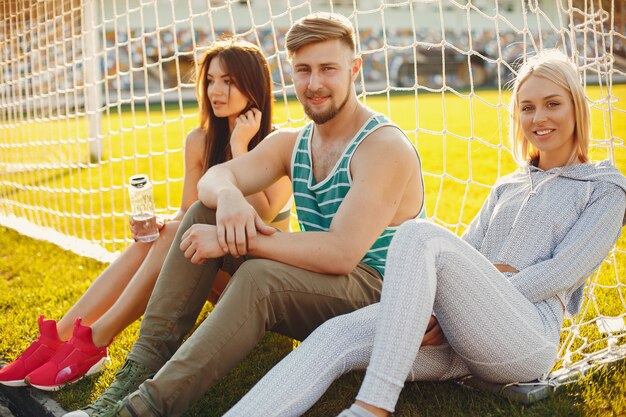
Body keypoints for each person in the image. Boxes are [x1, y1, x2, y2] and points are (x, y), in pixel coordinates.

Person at [223, 49, 626, 417]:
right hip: (458, 336)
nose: (539, 118)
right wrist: (439, 307)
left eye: (552, 104)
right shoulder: (508, 184)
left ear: (577, 107)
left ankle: (371, 407)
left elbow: (561, 273)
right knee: (337, 334)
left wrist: (483, 289)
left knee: (417, 234)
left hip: (524, 339)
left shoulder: (604, 186)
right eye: (527, 108)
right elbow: (467, 250)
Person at [62, 12, 425, 417]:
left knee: (259, 278)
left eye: (328, 69)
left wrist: (235, 239)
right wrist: (231, 197)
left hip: (380, 293)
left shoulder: (382, 147)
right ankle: (126, 384)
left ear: (354, 69)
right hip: (325, 284)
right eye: (303, 70)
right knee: (204, 211)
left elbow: (341, 253)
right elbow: (214, 180)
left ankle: (143, 409)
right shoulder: (293, 143)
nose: (314, 83)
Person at [0, 39, 292, 392]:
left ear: (254, 84)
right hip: (207, 265)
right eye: (211, 80)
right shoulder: (199, 141)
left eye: (228, 81)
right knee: (156, 237)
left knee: (171, 236)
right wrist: (161, 225)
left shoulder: (279, 146)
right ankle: (59, 339)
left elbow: (262, 211)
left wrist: (239, 148)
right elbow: (189, 212)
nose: (216, 90)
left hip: (253, 282)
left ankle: (92, 342)